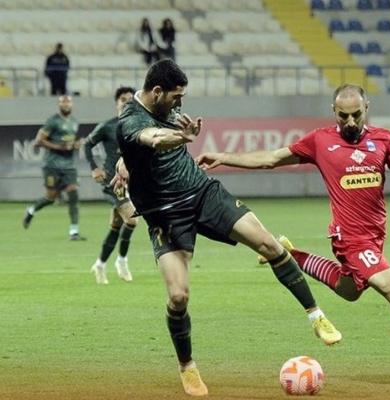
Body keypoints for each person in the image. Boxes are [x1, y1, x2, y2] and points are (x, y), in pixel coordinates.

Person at [196, 83, 390, 376]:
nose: (350, 122)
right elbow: (271, 159)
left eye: (356, 115)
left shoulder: (385, 139)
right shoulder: (320, 141)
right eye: (343, 116)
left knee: (348, 290)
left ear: (367, 108)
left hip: (375, 237)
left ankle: (290, 255)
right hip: (350, 239)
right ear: (333, 112)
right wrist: (224, 157)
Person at [112, 59, 341, 396]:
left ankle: (315, 315)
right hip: (165, 214)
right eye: (177, 97)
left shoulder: (164, 106)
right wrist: (181, 137)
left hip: (202, 193)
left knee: (270, 244)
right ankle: (187, 366)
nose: (180, 103)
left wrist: (125, 160)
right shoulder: (131, 118)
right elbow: (153, 138)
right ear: (157, 91)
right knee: (178, 296)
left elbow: (138, 147)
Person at [84, 87, 137, 284]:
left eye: (130, 99)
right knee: (132, 220)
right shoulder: (108, 126)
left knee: (116, 226)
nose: (127, 102)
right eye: (123, 99)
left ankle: (99, 265)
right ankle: (122, 261)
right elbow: (87, 144)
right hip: (113, 181)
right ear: (116, 103)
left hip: (132, 181)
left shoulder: (139, 126)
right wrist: (94, 168)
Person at [23, 95, 85, 241]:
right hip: (52, 166)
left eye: (68, 102)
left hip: (69, 166)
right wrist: (58, 147)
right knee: (51, 198)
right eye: (63, 102)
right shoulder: (52, 121)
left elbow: (71, 142)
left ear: (72, 104)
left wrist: (76, 144)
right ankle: (31, 210)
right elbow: (38, 141)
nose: (66, 104)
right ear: (59, 105)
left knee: (73, 194)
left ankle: (74, 231)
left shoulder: (74, 122)